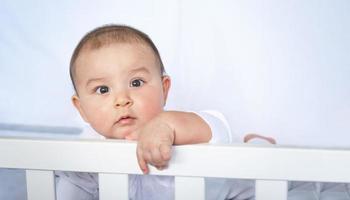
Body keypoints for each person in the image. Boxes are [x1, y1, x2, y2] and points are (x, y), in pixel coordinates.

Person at [55, 24, 272, 200]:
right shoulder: (83, 153)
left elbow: (217, 127)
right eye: (103, 89)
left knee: (261, 166)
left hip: (228, 189)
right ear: (81, 108)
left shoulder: (174, 127)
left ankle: (257, 143)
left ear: (164, 89)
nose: (122, 100)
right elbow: (73, 189)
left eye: (136, 82)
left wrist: (166, 125)